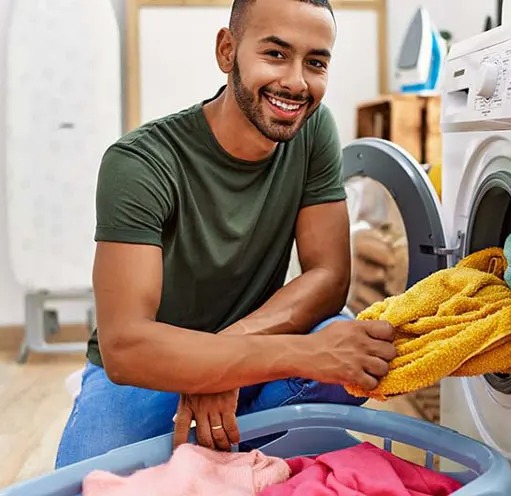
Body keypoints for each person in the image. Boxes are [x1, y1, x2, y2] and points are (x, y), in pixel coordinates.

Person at [54, 0, 397, 468]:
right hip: (153, 368)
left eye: (315, 62)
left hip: (255, 344)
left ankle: (217, 448)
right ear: (227, 50)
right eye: (275, 54)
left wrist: (224, 362)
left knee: (348, 342)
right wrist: (292, 356)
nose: (296, 82)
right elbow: (126, 346)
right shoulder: (140, 162)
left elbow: (331, 275)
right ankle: (237, 445)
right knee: (82, 481)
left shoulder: (313, 129)